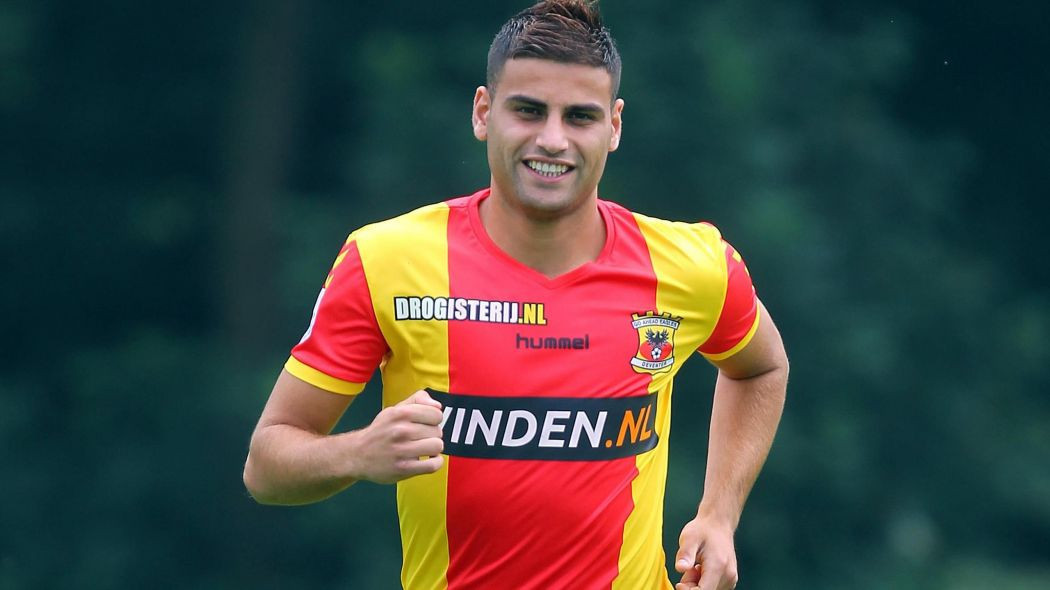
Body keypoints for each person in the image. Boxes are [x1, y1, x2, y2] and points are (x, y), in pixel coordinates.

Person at [242, 1, 788, 588]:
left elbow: (761, 368)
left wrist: (719, 515)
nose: (552, 140)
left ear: (614, 126)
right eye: (528, 110)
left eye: (579, 117)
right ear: (483, 112)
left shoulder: (691, 266)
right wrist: (357, 454)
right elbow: (265, 466)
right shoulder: (386, 261)